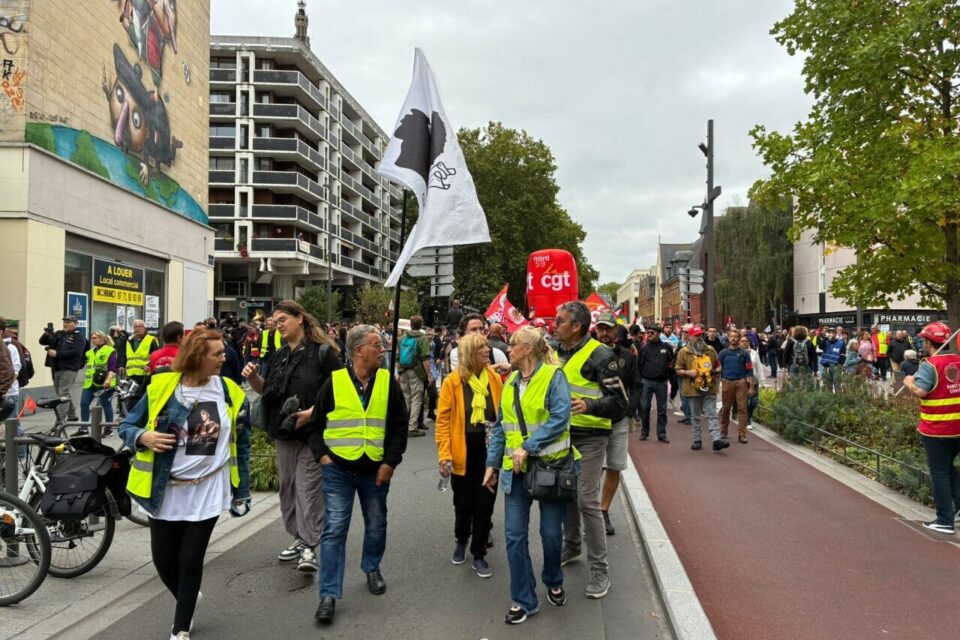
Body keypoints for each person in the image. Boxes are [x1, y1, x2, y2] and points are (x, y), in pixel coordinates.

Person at [119, 329, 252, 640]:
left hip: (207, 487)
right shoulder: (162, 386)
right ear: (196, 357)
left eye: (223, 353)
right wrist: (142, 436)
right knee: (164, 560)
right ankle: (188, 597)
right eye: (217, 354)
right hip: (165, 489)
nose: (224, 358)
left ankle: (180, 630)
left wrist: (242, 489)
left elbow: (242, 442)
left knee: (190, 559)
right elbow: (127, 425)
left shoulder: (229, 391)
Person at [306, 325, 409, 624]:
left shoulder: (388, 382)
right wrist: (322, 456)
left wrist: (390, 462)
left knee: (376, 523)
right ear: (359, 350)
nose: (382, 349)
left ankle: (371, 567)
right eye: (377, 345)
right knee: (335, 529)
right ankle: (328, 593)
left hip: (375, 469)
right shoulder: (334, 382)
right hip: (338, 469)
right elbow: (315, 425)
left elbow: (399, 426)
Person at [242, 300, 342, 573]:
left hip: (313, 435)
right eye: (275, 322)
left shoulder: (323, 353)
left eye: (282, 320)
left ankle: (309, 544)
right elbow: (268, 392)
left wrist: (313, 412)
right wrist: (253, 378)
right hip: (284, 433)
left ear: (300, 318)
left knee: (307, 489)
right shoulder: (279, 355)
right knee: (288, 489)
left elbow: (341, 390)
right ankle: (299, 537)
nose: (277, 325)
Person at [482, 326, 573, 624]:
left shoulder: (554, 376)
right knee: (514, 536)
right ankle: (524, 599)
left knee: (550, 534)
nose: (508, 348)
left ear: (529, 349)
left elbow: (560, 418)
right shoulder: (509, 382)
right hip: (516, 471)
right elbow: (501, 427)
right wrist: (492, 464)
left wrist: (528, 447)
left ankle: (553, 578)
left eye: (513, 344)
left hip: (551, 468)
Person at [554, 301, 626, 600]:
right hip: (562, 435)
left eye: (560, 321)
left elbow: (619, 402)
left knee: (586, 499)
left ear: (577, 327)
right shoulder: (555, 350)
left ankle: (600, 570)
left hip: (591, 437)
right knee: (567, 492)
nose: (554, 325)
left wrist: (590, 405)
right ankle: (572, 546)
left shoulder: (601, 355)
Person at [435, 333, 502, 576]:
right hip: (461, 451)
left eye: (486, 346)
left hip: (489, 452)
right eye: (481, 347)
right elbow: (443, 421)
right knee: (463, 504)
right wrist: (444, 454)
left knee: (485, 504)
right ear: (469, 354)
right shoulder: (453, 382)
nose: (487, 350)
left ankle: (479, 553)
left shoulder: (494, 378)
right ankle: (461, 539)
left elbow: (501, 417)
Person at [902, 322, 960, 535]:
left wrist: (909, 382)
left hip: (936, 429)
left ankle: (944, 520)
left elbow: (921, 391)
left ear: (928, 342)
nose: (922, 344)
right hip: (957, 428)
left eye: (923, 341)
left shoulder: (930, 365)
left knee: (939, 473)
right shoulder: (958, 360)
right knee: (948, 468)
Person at [594, 313, 640, 536]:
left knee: (614, 466)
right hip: (593, 419)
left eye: (608, 329)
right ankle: (591, 511)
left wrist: (630, 411)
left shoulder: (627, 356)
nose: (604, 333)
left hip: (619, 419)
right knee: (593, 468)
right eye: (600, 328)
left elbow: (636, 384)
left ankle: (603, 510)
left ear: (616, 330)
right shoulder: (588, 353)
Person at [675, 325, 728, 452]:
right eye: (696, 335)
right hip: (692, 389)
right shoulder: (684, 352)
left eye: (700, 335)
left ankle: (716, 440)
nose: (699, 338)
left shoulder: (710, 350)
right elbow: (677, 369)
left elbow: (718, 365)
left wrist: (715, 371)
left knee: (712, 414)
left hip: (709, 387)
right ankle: (697, 440)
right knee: (695, 416)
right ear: (690, 336)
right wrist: (688, 372)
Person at [38, 315, 87, 422]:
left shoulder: (79, 337)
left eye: (68, 322)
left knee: (63, 392)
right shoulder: (59, 334)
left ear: (75, 323)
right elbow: (42, 342)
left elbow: (76, 352)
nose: (65, 324)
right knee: (61, 393)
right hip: (56, 367)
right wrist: (47, 334)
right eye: (64, 322)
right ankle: (72, 415)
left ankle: (60, 420)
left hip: (70, 368)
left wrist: (58, 354)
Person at [396, 315, 433, 438]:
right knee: (416, 399)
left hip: (403, 370)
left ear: (410, 324)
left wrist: (398, 372)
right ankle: (412, 427)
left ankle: (403, 424)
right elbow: (425, 358)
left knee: (406, 398)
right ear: (421, 325)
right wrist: (429, 375)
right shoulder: (422, 338)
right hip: (416, 371)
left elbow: (397, 357)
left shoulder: (402, 338)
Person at [636, 322, 673, 443]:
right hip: (647, 381)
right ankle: (644, 431)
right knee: (645, 408)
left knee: (662, 409)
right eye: (647, 333)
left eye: (652, 333)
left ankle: (661, 434)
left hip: (662, 382)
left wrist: (669, 376)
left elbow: (671, 363)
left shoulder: (667, 347)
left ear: (658, 333)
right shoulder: (644, 348)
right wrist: (640, 381)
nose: (649, 334)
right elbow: (639, 365)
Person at [717, 329, 754, 444]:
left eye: (735, 336)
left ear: (739, 338)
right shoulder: (723, 353)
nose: (733, 338)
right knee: (726, 408)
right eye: (731, 336)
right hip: (727, 381)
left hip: (741, 382)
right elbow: (718, 369)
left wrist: (751, 386)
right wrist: (717, 384)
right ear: (728, 338)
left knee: (742, 409)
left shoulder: (744, 353)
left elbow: (750, 370)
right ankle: (723, 431)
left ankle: (742, 434)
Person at [79, 330, 119, 429]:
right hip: (90, 383)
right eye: (92, 338)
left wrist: (108, 380)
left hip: (104, 383)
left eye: (95, 338)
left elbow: (112, 367)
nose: (92, 340)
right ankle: (84, 429)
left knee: (106, 405)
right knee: (84, 403)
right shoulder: (90, 352)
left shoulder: (109, 350)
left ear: (102, 338)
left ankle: (108, 428)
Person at [123, 319, 159, 410]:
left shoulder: (151, 339)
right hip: (131, 373)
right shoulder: (129, 340)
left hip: (144, 374)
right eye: (135, 327)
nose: (137, 328)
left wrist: (150, 366)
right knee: (130, 396)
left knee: (142, 396)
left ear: (144, 328)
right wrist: (122, 366)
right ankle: (130, 414)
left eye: (140, 326)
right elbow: (125, 355)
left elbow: (156, 355)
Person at [740, 335, 765, 429]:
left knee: (754, 402)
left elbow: (759, 367)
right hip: (742, 380)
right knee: (745, 401)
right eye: (742, 341)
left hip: (753, 380)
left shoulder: (754, 353)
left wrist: (762, 382)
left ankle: (749, 415)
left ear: (749, 342)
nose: (744, 342)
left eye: (746, 341)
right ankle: (747, 420)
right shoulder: (737, 353)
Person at [819, 326, 846, 392]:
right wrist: (825, 338)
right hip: (826, 366)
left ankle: (838, 397)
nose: (831, 334)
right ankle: (829, 397)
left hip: (836, 366)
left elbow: (843, 355)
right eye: (829, 332)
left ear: (836, 334)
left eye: (832, 332)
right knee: (827, 384)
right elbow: (820, 347)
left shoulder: (841, 342)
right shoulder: (825, 341)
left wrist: (840, 365)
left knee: (837, 383)